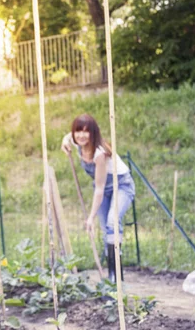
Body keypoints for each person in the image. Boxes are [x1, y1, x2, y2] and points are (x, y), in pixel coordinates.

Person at [61, 113, 135, 282]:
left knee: (112, 223)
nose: (81, 135)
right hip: (103, 188)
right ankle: (111, 276)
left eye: (86, 132)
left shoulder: (99, 154)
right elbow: (69, 137)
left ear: (93, 133)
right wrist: (64, 141)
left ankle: (117, 277)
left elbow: (99, 189)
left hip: (120, 185)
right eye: (78, 131)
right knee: (105, 231)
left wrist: (90, 217)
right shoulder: (78, 141)